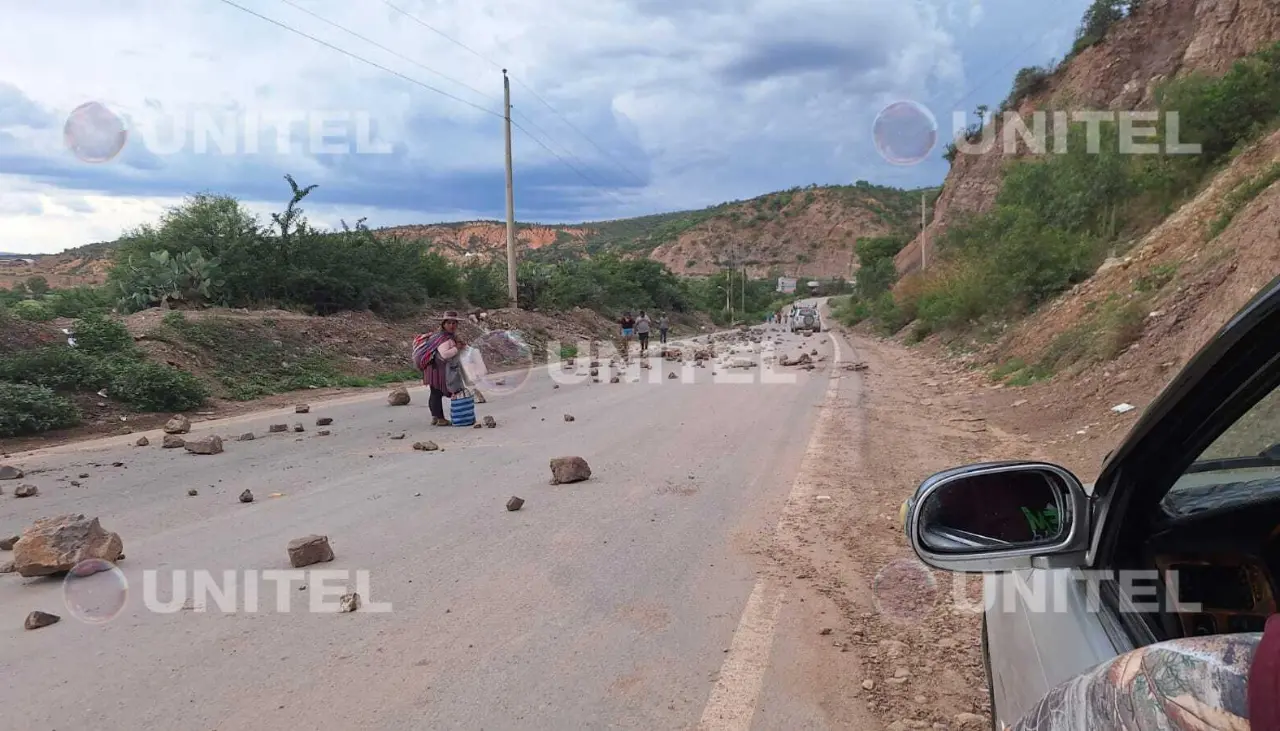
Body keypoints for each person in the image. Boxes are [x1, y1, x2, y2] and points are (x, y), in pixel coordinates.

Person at [414, 312, 466, 426]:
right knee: (437, 392)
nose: (452, 325)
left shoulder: (447, 337)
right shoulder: (443, 338)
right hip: (436, 368)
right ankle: (440, 419)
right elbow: (445, 354)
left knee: (435, 392)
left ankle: (435, 417)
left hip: (434, 367)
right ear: (443, 324)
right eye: (449, 323)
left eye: (454, 323)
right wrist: (457, 348)